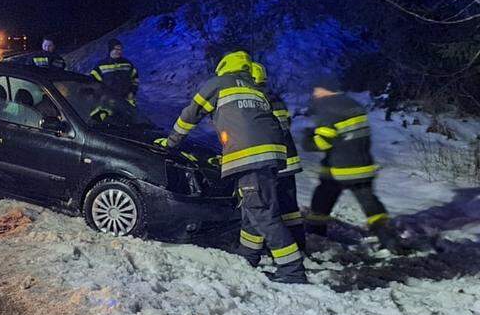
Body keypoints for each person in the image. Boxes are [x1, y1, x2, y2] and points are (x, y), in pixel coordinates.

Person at [160, 49, 307, 284]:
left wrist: (170, 143)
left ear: (224, 66)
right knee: (252, 209)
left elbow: (190, 115)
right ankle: (248, 258)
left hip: (249, 157)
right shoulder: (257, 89)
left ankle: (292, 270)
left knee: (262, 212)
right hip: (272, 156)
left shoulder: (218, 84)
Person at [302, 74, 400, 249]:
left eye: (317, 89)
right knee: (370, 204)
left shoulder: (328, 107)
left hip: (338, 170)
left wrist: (308, 138)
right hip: (363, 166)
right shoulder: (353, 105)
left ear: (326, 89)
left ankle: (314, 236)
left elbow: (323, 142)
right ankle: (389, 238)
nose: (315, 94)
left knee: (321, 202)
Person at [238, 62, 305, 254]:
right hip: (287, 162)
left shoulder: (257, 100)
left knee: (263, 208)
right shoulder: (274, 98)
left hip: (271, 164)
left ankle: (264, 251)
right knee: (289, 210)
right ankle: (299, 246)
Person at [90, 38, 139, 106]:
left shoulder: (127, 64)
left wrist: (132, 92)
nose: (119, 51)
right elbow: (93, 81)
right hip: (110, 102)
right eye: (117, 49)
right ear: (111, 49)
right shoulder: (101, 65)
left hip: (127, 100)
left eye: (121, 49)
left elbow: (135, 78)